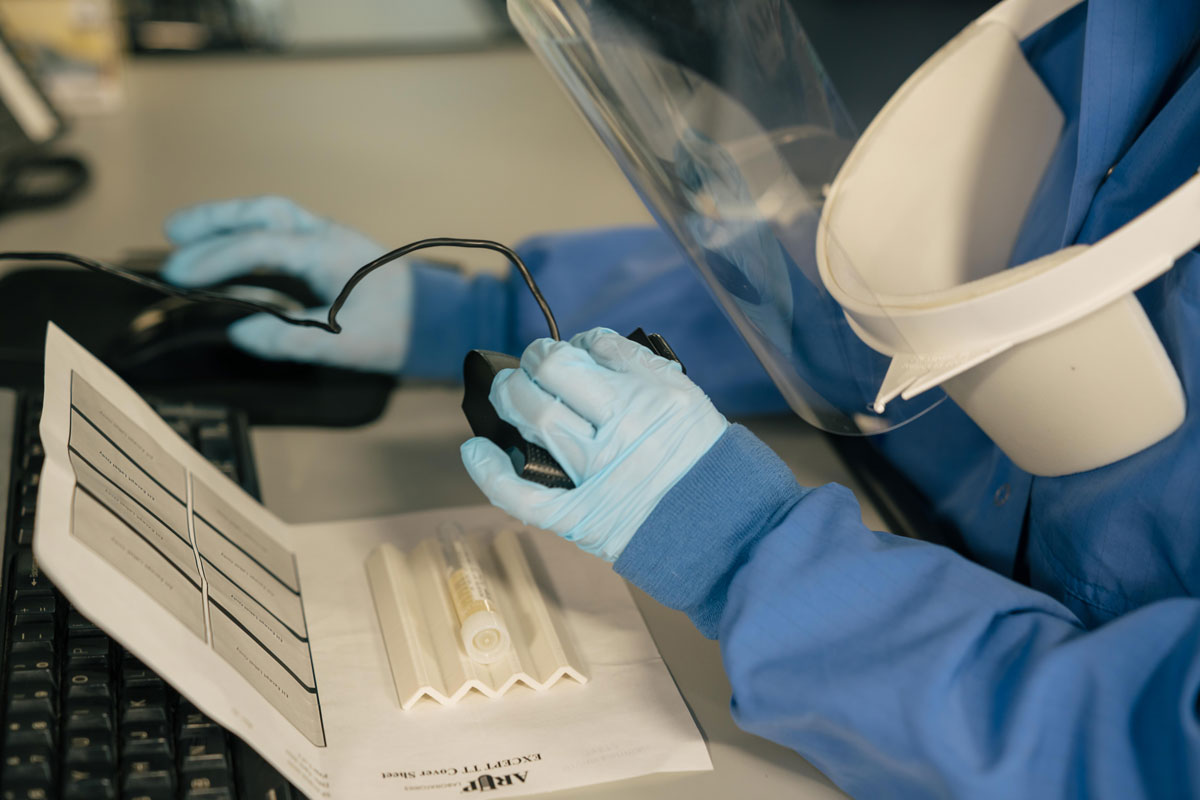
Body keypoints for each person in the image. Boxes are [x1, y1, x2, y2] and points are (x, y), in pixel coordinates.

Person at [161, 1, 1200, 797]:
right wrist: (471, 311)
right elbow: (896, 278)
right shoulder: (1134, 30)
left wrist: (742, 547)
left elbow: (1142, 750)